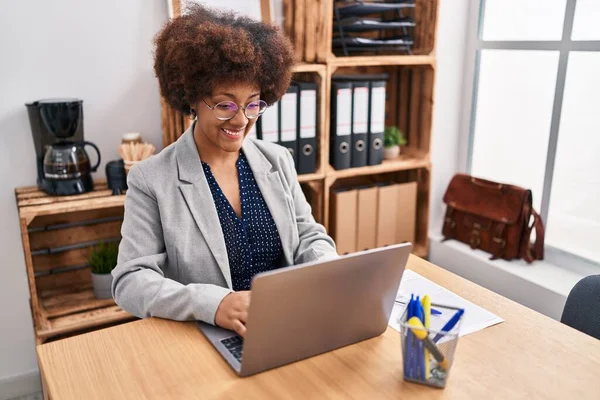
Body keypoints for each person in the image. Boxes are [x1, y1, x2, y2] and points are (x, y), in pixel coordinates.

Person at [111, 4, 338, 337]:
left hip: (288, 325)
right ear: (192, 99)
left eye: (253, 104)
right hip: (210, 339)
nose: (241, 119)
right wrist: (213, 304)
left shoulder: (277, 159)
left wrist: (324, 267)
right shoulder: (151, 179)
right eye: (225, 104)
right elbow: (130, 281)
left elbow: (308, 234)